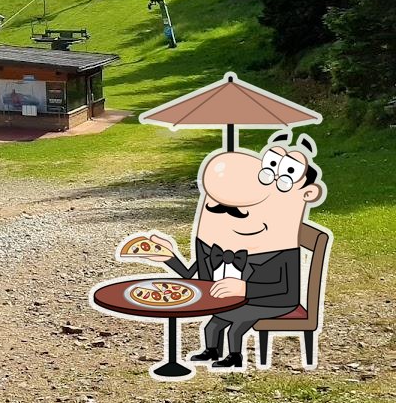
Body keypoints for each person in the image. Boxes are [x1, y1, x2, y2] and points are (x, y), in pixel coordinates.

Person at [137, 131, 326, 370]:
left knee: (236, 324)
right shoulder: (217, 247)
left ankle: (235, 357)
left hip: (275, 301)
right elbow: (192, 276)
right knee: (213, 324)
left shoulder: (281, 252)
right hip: (240, 297)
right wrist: (169, 257)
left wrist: (245, 288)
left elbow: (285, 289)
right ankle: (211, 350)